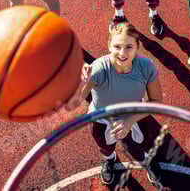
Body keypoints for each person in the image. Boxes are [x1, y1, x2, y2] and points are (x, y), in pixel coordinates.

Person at [65, 22, 164, 186]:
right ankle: (109, 160)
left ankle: (148, 158)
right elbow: (71, 106)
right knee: (105, 146)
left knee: (146, 141)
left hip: (134, 112)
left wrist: (130, 120)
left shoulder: (146, 66)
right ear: (109, 46)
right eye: (117, 46)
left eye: (129, 47)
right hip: (102, 117)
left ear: (137, 47)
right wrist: (81, 83)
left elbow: (156, 101)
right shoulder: (98, 69)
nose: (122, 53)